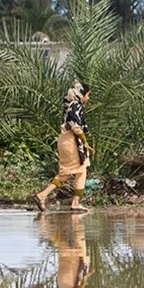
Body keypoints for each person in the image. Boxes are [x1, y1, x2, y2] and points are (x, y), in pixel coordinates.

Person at [32, 81, 94, 212]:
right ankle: (42, 195)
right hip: (72, 142)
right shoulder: (76, 106)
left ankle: (75, 203)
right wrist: (86, 143)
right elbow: (76, 127)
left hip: (67, 141)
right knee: (68, 173)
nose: (88, 98)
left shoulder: (70, 105)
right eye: (88, 95)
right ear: (81, 94)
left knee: (80, 171)